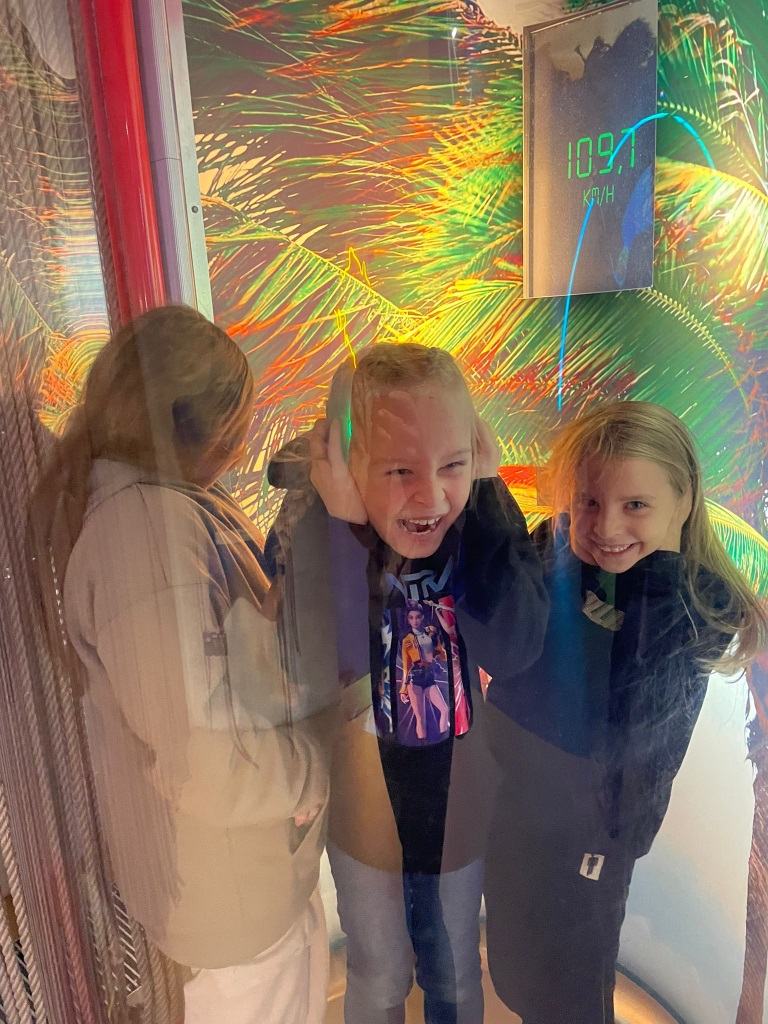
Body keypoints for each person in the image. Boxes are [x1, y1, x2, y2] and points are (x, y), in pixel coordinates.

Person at [29, 305, 338, 1024]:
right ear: (196, 426)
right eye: (235, 424)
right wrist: (319, 770)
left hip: (242, 887)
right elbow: (205, 760)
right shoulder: (145, 536)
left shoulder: (167, 505)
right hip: (232, 909)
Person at [266, 343, 549, 1024]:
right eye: (399, 471)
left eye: (453, 464)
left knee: (454, 965)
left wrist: (485, 497)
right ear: (344, 466)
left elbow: (514, 645)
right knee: (379, 969)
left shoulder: (474, 518)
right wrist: (340, 524)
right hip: (361, 807)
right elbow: (313, 668)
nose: (431, 495)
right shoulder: (314, 526)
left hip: (457, 802)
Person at [483, 401, 767, 1024]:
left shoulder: (689, 603)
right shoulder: (559, 547)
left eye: (635, 504)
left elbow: (633, 722)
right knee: (518, 963)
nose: (607, 525)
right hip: (516, 801)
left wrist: (657, 568)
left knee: (571, 985)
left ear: (683, 502)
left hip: (594, 828)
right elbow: (503, 630)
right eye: (588, 501)